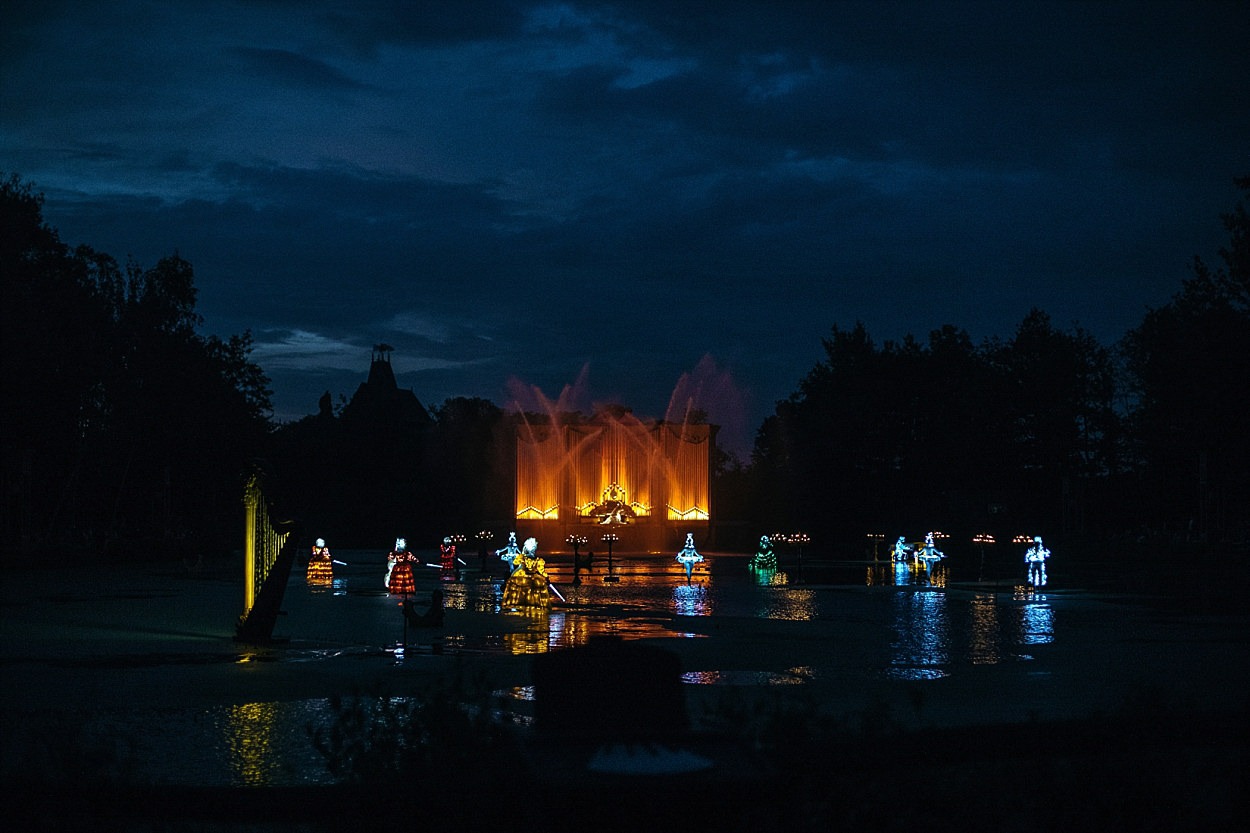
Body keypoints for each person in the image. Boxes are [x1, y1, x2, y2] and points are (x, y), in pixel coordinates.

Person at [501, 537, 551, 610]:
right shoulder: (538, 560)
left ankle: (521, 604)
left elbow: (516, 563)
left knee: (521, 592)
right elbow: (541, 571)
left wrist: (523, 554)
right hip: (534, 578)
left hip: (522, 577)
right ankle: (532, 605)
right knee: (533, 593)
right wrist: (546, 576)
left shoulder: (522, 557)